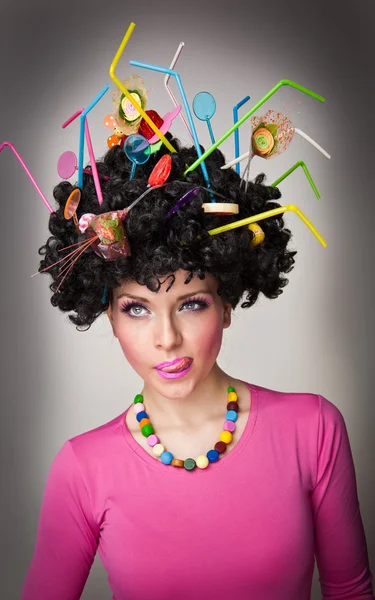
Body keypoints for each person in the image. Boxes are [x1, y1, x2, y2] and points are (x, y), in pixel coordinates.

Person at [18, 124, 374, 600]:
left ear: (226, 303)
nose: (167, 339)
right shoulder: (82, 469)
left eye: (191, 304)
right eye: (137, 308)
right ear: (107, 313)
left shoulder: (313, 430)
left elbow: (350, 592)